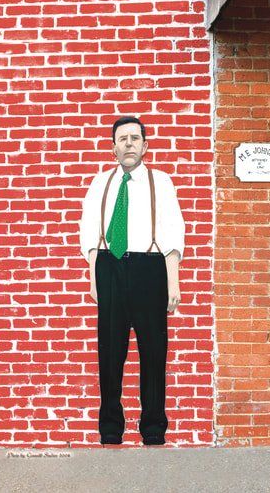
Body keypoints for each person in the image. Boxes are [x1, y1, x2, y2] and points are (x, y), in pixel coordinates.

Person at [79, 116, 184, 446]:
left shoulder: (161, 182)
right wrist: (94, 276)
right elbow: (89, 231)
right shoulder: (101, 183)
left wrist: (173, 282)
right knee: (110, 354)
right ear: (113, 148)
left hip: (149, 268)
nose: (128, 143)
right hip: (109, 267)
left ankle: (153, 429)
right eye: (122, 139)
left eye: (134, 138)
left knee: (153, 354)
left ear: (145, 146)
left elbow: (173, 232)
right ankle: (110, 428)